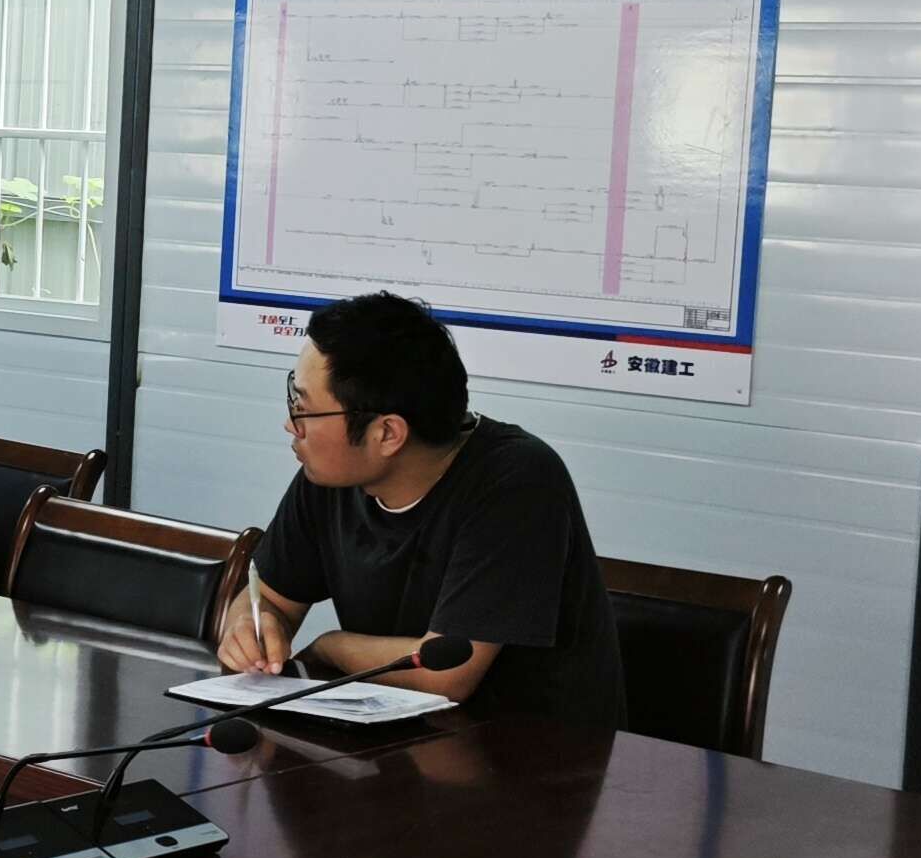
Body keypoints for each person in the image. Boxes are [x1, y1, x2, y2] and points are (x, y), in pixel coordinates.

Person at [217, 290, 627, 725]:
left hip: (534, 748)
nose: (290, 424)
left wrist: (329, 646)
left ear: (387, 434)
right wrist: (253, 628)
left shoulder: (517, 479)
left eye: (303, 409)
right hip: (393, 735)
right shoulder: (333, 474)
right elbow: (269, 598)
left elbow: (446, 674)